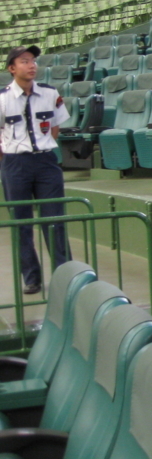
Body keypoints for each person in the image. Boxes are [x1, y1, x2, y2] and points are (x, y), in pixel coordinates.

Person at [0, 45, 71, 295]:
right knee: (22, 224)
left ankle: (65, 276)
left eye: (32, 61)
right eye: (24, 61)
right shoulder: (2, 98)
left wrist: (43, 147)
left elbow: (54, 127)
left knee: (55, 220)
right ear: (12, 68)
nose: (31, 65)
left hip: (45, 163)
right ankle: (32, 278)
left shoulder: (50, 94)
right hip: (14, 164)